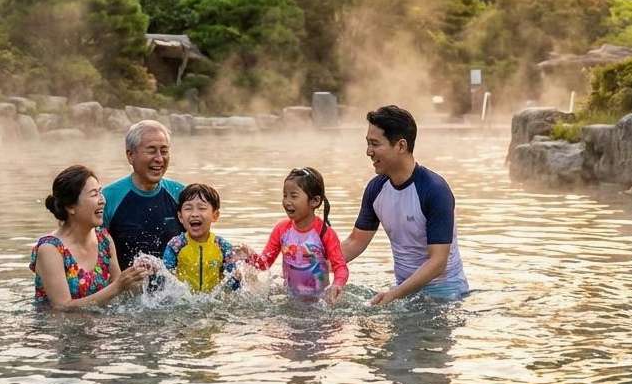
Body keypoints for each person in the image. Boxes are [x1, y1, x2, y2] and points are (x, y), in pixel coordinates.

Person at [340, 105, 469, 305]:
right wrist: (315, 263)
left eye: (375, 144)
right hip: (402, 290)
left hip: (445, 293)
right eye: (367, 144)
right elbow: (355, 242)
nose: (368, 152)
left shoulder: (434, 190)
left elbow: (438, 262)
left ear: (401, 146)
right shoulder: (376, 189)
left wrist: (394, 294)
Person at [30, 164, 148, 310]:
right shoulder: (50, 248)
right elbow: (61, 307)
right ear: (70, 207)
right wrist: (117, 287)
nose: (102, 200)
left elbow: (120, 296)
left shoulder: (104, 239)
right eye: (93, 194)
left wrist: (137, 277)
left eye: (100, 192)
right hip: (58, 331)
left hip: (100, 327)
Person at [246, 166, 348, 303]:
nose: (287, 202)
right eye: (285, 195)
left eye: (294, 196)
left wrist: (337, 285)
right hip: (291, 301)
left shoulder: (325, 233)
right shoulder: (281, 230)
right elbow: (264, 264)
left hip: (319, 303)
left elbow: (340, 267)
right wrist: (247, 255)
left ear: (315, 201)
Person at [102, 120, 184, 269]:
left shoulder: (181, 195)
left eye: (164, 151)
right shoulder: (107, 198)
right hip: (125, 289)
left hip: (176, 290)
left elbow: (204, 243)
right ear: (130, 155)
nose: (159, 158)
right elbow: (91, 250)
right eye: (151, 151)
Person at [161, 182, 242, 294]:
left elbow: (234, 284)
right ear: (180, 217)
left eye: (202, 208)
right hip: (183, 302)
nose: (195, 214)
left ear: (215, 215)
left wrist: (238, 276)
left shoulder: (222, 246)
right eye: (188, 208)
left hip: (213, 303)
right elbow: (165, 279)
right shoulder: (176, 245)